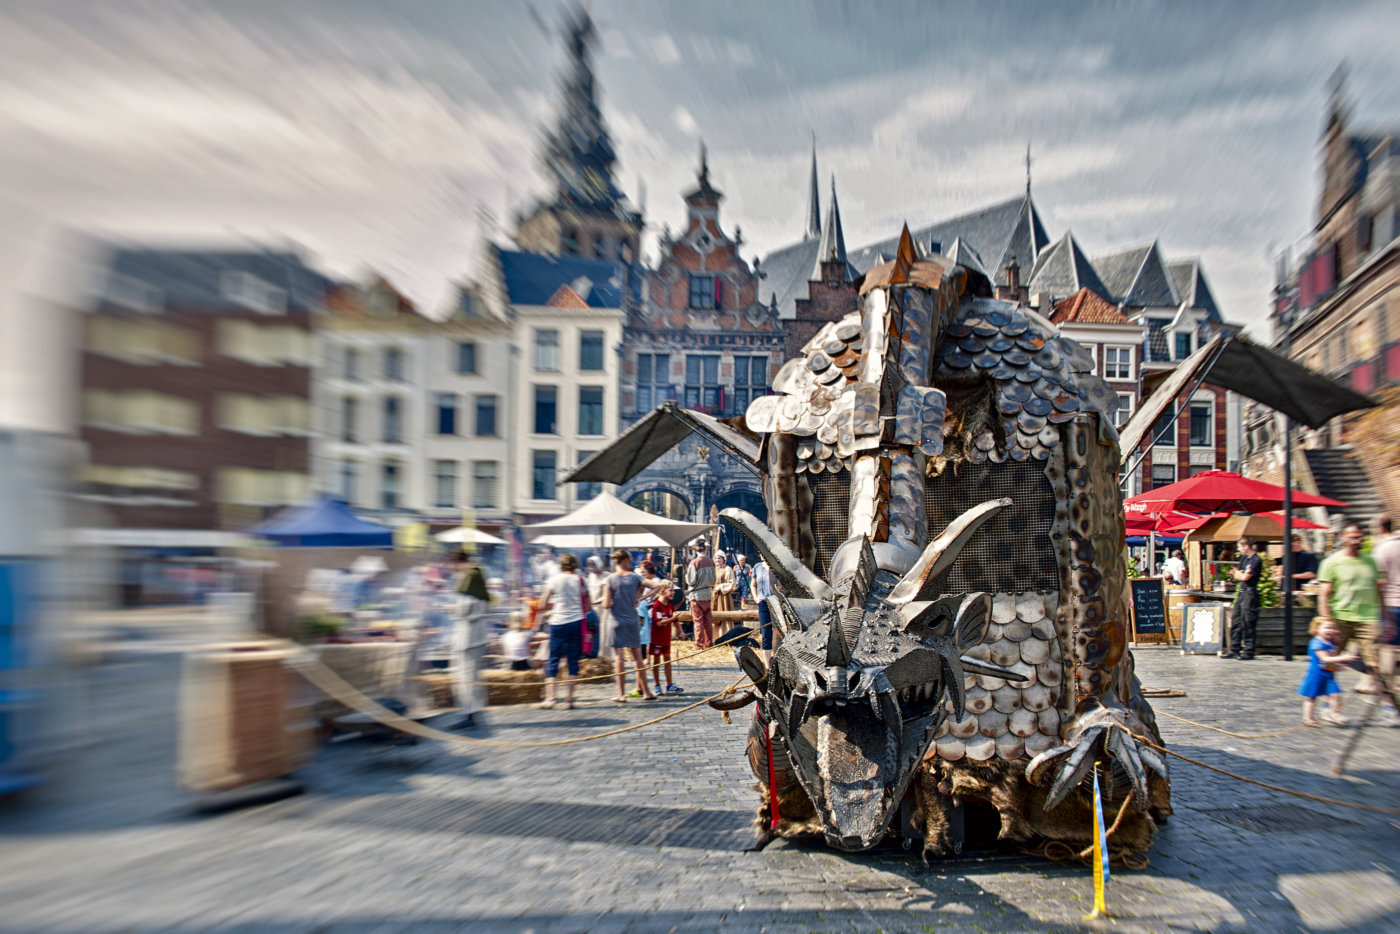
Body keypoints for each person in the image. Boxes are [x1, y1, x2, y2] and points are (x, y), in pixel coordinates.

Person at [1317, 522, 1385, 693]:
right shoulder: (1331, 562)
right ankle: (1329, 704)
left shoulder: (1370, 561)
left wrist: (1385, 616)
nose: (1357, 540)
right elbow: (1324, 594)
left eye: (1360, 537)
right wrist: (1327, 620)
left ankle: (1383, 702)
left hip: (1368, 618)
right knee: (1330, 661)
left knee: (1375, 662)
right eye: (1353, 537)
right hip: (1340, 617)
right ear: (1343, 537)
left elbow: (1379, 590)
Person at [603, 549, 655, 702]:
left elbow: (606, 605)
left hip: (615, 622)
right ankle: (646, 692)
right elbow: (656, 586)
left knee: (619, 658)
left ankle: (621, 694)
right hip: (632, 620)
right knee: (637, 658)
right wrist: (641, 599)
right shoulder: (635, 578)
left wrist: (614, 601)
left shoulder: (610, 579)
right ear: (625, 560)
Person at [536, 553, 586, 709]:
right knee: (573, 661)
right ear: (575, 565)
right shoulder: (581, 580)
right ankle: (569, 699)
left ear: (561, 566)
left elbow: (542, 603)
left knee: (553, 660)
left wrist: (555, 605)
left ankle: (551, 698)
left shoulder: (554, 579)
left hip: (557, 623)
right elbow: (588, 605)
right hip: (576, 621)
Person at [449, 555, 493, 730]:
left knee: (466, 678)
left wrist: (452, 608)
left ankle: (469, 714)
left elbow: (463, 609)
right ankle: (472, 712)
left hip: (468, 638)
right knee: (472, 677)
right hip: (476, 636)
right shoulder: (480, 589)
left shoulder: (468, 585)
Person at [1298, 616, 1358, 726]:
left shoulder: (1331, 642)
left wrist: (1337, 665)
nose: (1330, 630)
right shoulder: (1317, 643)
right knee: (1312, 697)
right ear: (1316, 629)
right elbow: (1325, 659)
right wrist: (1343, 658)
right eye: (1327, 628)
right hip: (1316, 674)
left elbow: (1332, 657)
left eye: (1332, 628)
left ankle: (1333, 714)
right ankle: (1307, 718)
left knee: (1335, 694)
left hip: (1328, 673)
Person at [1371, 514, 1400, 703]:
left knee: (1387, 648)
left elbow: (1377, 581)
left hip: (1390, 603)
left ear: (1381, 529)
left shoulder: (1381, 549)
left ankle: (1387, 694)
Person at [1224, 537, 1262, 660]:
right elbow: (1238, 574)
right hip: (1241, 591)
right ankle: (1234, 648)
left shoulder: (1256, 560)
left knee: (1248, 621)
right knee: (1236, 620)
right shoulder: (1244, 559)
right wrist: (1239, 574)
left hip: (1250, 592)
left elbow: (1245, 577)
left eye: (1240, 547)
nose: (1239, 549)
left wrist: (1239, 574)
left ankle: (1249, 650)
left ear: (1246, 546)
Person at [649, 582, 684, 694]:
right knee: (657, 661)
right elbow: (659, 623)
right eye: (671, 590)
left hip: (665, 638)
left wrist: (681, 632)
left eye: (673, 590)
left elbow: (675, 621)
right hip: (656, 638)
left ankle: (669, 684)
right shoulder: (657, 606)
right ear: (663, 591)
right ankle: (657, 685)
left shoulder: (669, 606)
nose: (673, 593)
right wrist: (671, 619)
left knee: (667, 660)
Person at [686, 539, 716, 649]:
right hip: (707, 594)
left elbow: (691, 581)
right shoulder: (711, 561)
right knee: (708, 621)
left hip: (696, 594)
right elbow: (713, 579)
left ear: (695, 549)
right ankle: (709, 643)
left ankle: (698, 644)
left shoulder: (694, 563)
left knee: (698, 621)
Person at [584, 556, 610, 660]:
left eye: (593, 566)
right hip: (591, 609)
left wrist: (595, 601)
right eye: (590, 567)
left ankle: (604, 655)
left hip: (602, 608)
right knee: (592, 632)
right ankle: (592, 653)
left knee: (602, 631)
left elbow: (606, 594)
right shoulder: (590, 577)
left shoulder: (606, 576)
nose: (591, 569)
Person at [753, 554, 775, 662]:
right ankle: (767, 664)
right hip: (762, 601)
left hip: (775, 602)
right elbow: (753, 584)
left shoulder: (775, 566)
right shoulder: (757, 567)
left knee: (778, 631)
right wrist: (756, 598)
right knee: (765, 633)